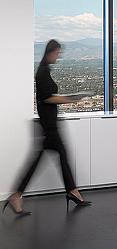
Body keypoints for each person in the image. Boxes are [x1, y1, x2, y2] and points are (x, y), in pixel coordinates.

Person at [4, 40, 92, 216]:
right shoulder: (43, 71)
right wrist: (71, 99)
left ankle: (19, 195)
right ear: (49, 52)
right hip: (49, 126)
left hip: (50, 123)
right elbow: (48, 98)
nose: (58, 57)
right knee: (58, 158)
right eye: (57, 53)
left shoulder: (44, 70)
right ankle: (71, 192)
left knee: (49, 159)